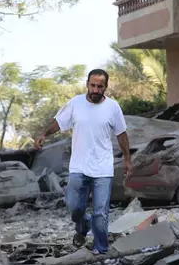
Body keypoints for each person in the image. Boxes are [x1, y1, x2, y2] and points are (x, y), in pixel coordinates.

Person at [34, 68, 133, 255]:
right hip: (78, 167)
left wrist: (127, 159)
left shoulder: (113, 107)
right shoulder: (75, 103)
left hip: (103, 168)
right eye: (93, 85)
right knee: (74, 207)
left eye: (100, 87)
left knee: (100, 213)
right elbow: (59, 122)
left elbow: (122, 134)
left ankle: (101, 250)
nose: (95, 90)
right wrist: (44, 134)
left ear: (106, 87)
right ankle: (82, 226)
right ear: (87, 84)